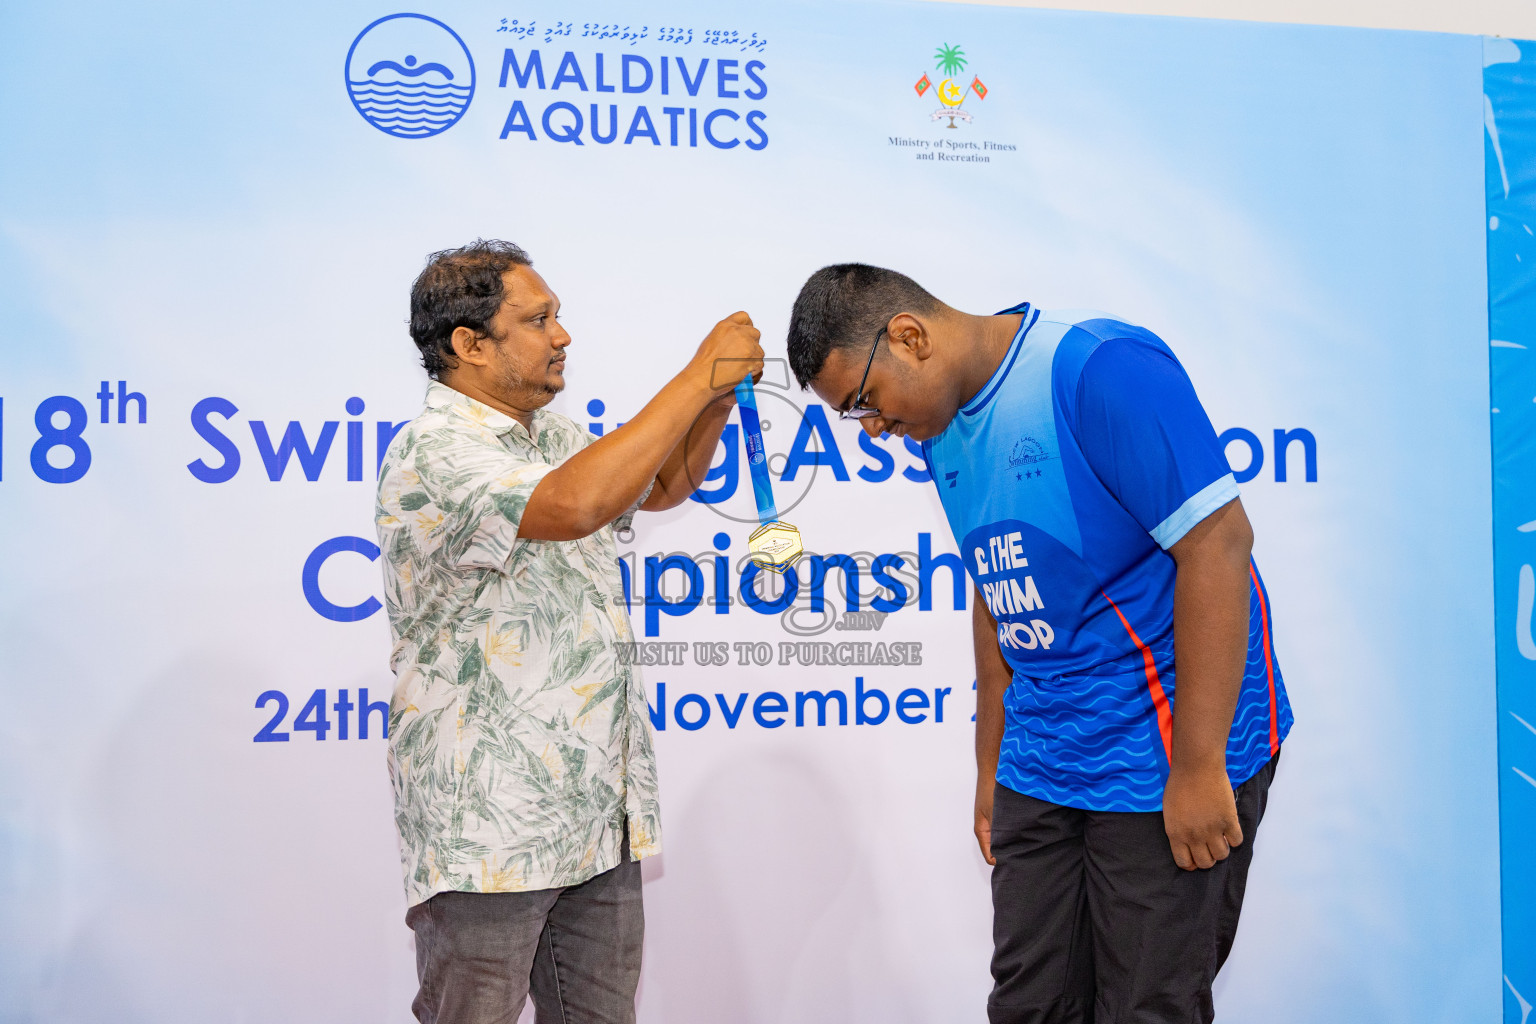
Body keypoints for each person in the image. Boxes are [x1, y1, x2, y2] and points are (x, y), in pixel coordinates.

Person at [786, 264, 1293, 1023]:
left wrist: (1198, 766)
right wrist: (991, 765)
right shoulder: (941, 429)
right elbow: (997, 587)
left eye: (864, 402)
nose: (874, 429)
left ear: (909, 337)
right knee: (1030, 1003)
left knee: (1146, 1007)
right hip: (1044, 753)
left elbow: (1219, 547)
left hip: (1163, 746)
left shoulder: (1098, 370)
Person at [375, 239, 762, 1024]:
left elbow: (660, 484)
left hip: (593, 815)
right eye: (538, 320)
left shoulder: (548, 435)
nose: (562, 336)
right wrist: (695, 375)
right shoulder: (435, 452)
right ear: (469, 344)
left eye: (557, 316)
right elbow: (576, 505)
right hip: (490, 829)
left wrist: (718, 395)